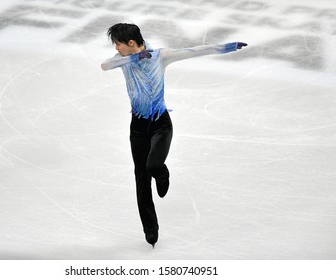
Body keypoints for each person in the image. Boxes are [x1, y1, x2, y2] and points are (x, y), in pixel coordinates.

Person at [101, 23, 247, 248]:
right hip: (138, 128)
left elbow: (195, 50)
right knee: (141, 178)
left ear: (131, 43)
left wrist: (226, 47)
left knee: (152, 166)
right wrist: (134, 59)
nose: (116, 48)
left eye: (118, 44)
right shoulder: (123, 60)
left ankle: (162, 173)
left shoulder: (161, 56)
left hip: (161, 125)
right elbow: (105, 65)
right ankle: (150, 227)